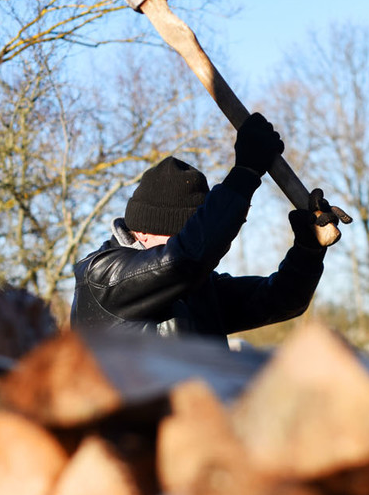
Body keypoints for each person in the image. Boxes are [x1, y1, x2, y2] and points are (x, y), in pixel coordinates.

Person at [70, 113, 339, 340]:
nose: (193, 238)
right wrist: (245, 174)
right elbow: (187, 256)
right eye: (182, 232)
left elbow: (283, 300)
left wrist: (308, 250)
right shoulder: (103, 277)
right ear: (141, 231)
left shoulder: (200, 289)